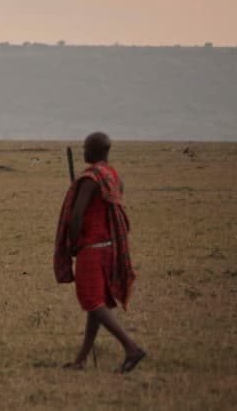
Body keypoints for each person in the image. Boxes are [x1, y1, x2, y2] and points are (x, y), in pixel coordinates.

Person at [53, 131, 146, 373]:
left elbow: (77, 216)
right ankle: (81, 360)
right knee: (95, 304)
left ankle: (131, 347)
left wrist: (72, 242)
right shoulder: (112, 176)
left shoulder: (90, 179)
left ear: (95, 150)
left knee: (92, 302)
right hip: (110, 247)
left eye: (86, 147)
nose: (83, 151)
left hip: (91, 249)